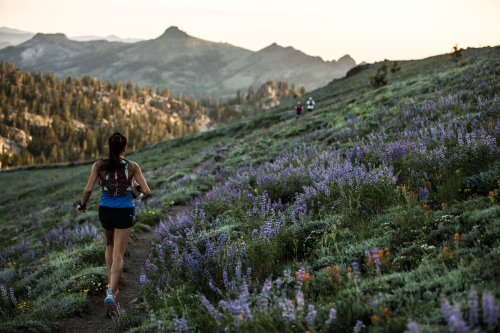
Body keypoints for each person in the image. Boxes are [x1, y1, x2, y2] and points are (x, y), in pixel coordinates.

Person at [77, 131, 151, 317]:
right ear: (125, 148)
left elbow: (88, 190)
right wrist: (133, 187)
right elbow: (147, 191)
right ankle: (111, 293)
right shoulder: (132, 166)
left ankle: (110, 286)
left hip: (106, 210)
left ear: (108, 147)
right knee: (119, 254)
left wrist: (83, 205)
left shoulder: (98, 166)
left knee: (109, 245)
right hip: (124, 211)